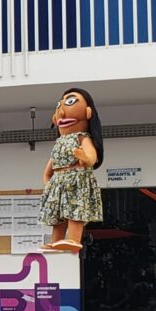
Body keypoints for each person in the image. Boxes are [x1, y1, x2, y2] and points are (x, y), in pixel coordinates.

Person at [39, 88, 104, 253]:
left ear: (88, 112)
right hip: (59, 184)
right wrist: (49, 185)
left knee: (75, 212)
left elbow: (92, 157)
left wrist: (84, 157)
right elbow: (48, 171)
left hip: (77, 182)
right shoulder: (59, 143)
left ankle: (74, 239)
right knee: (58, 216)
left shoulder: (82, 137)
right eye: (59, 105)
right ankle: (56, 241)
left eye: (70, 102)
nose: (61, 112)